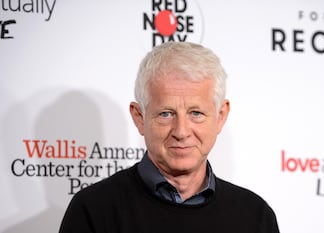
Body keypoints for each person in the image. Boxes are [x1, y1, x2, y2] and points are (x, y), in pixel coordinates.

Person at [59, 41, 280, 233]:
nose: (181, 132)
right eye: (166, 114)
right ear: (139, 117)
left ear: (220, 116)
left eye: (196, 113)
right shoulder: (94, 210)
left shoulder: (256, 216)